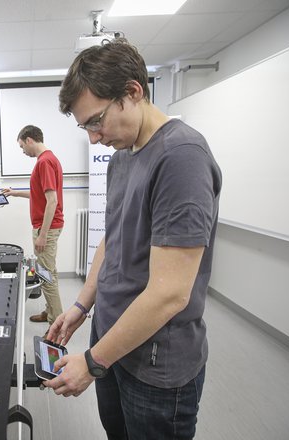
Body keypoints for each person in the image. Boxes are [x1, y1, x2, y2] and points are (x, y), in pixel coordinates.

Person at [44, 38, 222, 440]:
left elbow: (170, 294)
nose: (93, 137)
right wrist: (80, 305)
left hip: (154, 364)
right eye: (84, 126)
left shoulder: (181, 157)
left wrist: (90, 363)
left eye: (96, 120)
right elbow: (112, 235)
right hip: (112, 343)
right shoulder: (122, 156)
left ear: (132, 92)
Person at [2, 125, 64, 326]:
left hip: (46, 228)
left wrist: (43, 235)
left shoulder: (44, 162)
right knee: (47, 271)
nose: (23, 151)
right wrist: (14, 193)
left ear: (29, 140)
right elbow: (40, 196)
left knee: (47, 276)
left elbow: (52, 201)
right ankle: (49, 311)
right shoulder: (49, 159)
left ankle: (56, 322)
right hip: (49, 226)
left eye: (22, 146)